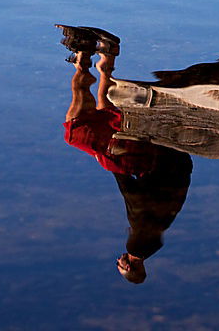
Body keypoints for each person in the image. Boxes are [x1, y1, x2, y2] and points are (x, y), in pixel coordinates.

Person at [56, 24, 193, 283]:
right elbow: (135, 197)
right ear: (130, 266)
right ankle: (84, 58)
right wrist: (111, 167)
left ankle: (105, 55)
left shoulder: (156, 237)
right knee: (75, 133)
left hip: (168, 161)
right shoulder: (140, 242)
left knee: (104, 113)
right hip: (146, 162)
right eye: (121, 266)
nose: (118, 261)